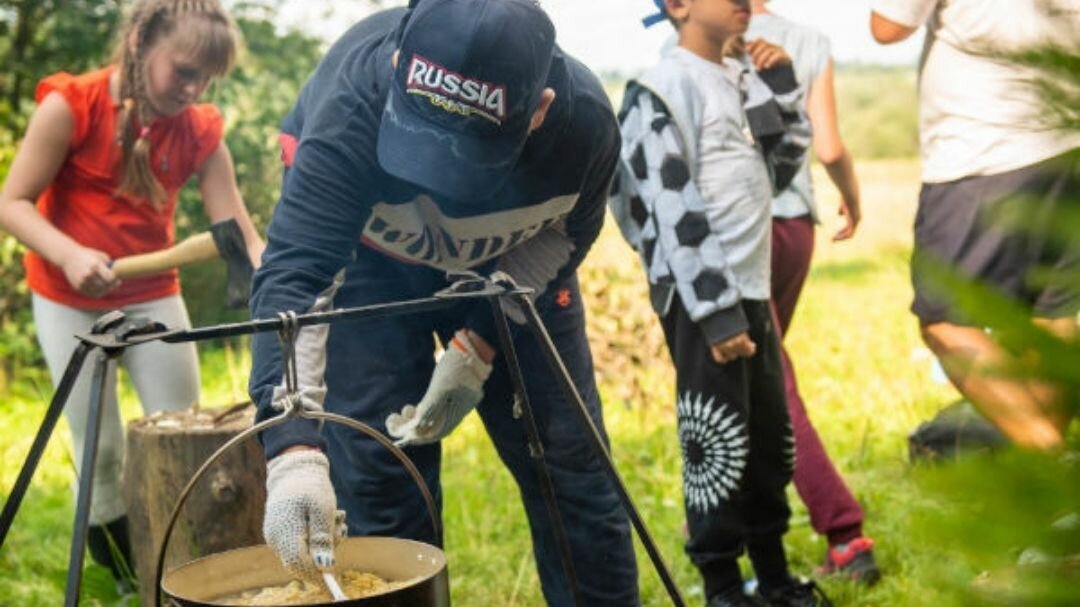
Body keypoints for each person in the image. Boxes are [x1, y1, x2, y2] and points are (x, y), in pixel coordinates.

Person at [247, 0, 639, 604]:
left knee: (571, 466)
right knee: (381, 472)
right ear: (399, 62)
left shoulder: (584, 131)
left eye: (464, 153)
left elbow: (563, 238)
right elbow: (297, 280)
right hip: (369, 269)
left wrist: (480, 345)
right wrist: (293, 448)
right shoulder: (349, 106)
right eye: (420, 139)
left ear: (539, 112)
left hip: (505, 274)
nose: (433, 180)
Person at [0, 0, 264, 591]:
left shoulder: (199, 131)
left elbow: (241, 236)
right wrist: (68, 254)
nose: (193, 89)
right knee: (100, 449)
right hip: (65, 296)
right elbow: (11, 202)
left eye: (206, 78)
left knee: (183, 432)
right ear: (143, 43)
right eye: (184, 70)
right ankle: (121, 581)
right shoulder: (71, 105)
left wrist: (287, 273)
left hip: (152, 295)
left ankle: (183, 573)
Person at [612, 1, 830, 605]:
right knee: (717, 441)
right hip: (703, 297)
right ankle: (723, 586)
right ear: (678, 6)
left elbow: (779, 171)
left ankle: (775, 576)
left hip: (750, 288)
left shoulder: (738, 76)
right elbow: (668, 209)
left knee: (767, 439)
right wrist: (714, 310)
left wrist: (781, 87)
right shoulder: (662, 87)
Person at [870, 0, 1080, 450]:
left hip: (986, 149)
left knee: (945, 321)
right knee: (1050, 315)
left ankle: (1055, 461)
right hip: (1067, 144)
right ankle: (1048, 492)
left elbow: (887, 26)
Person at [747, 0, 880, 584]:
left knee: (770, 378)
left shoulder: (696, 35)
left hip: (741, 232)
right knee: (758, 377)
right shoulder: (808, 38)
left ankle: (845, 533)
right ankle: (729, 513)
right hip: (797, 225)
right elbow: (828, 147)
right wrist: (851, 194)